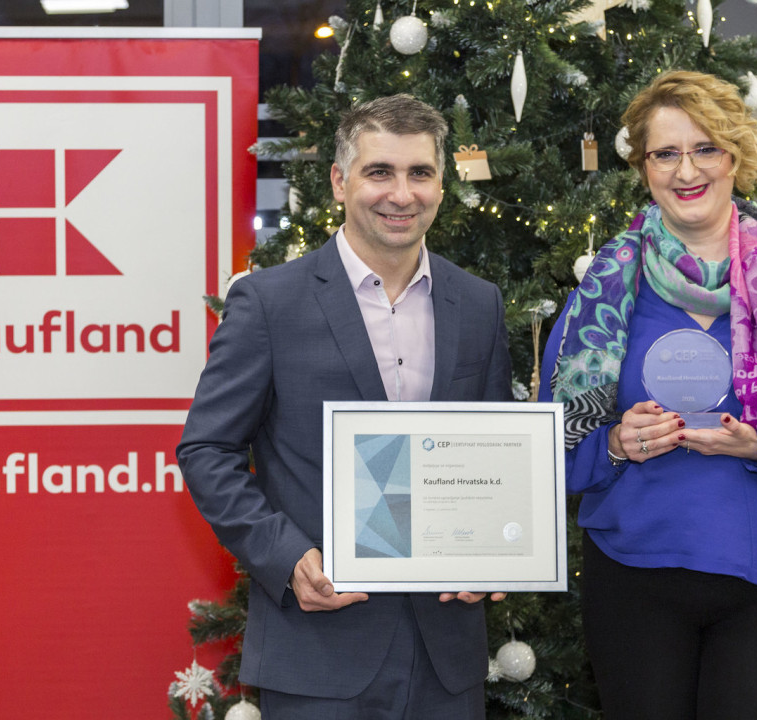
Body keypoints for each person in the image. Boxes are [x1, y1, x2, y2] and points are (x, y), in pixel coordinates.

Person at [539, 70, 757, 720]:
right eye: (665, 153)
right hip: (632, 581)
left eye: (705, 149)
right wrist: (615, 443)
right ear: (643, 167)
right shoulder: (602, 295)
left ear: (736, 156)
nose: (686, 170)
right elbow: (545, 454)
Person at [177, 94, 512, 719]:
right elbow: (207, 450)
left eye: (420, 173)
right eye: (379, 172)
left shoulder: (478, 303)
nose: (402, 194)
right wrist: (285, 556)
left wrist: (492, 552)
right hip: (318, 649)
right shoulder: (268, 303)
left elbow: (493, 449)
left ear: (442, 184)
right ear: (339, 181)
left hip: (447, 654)